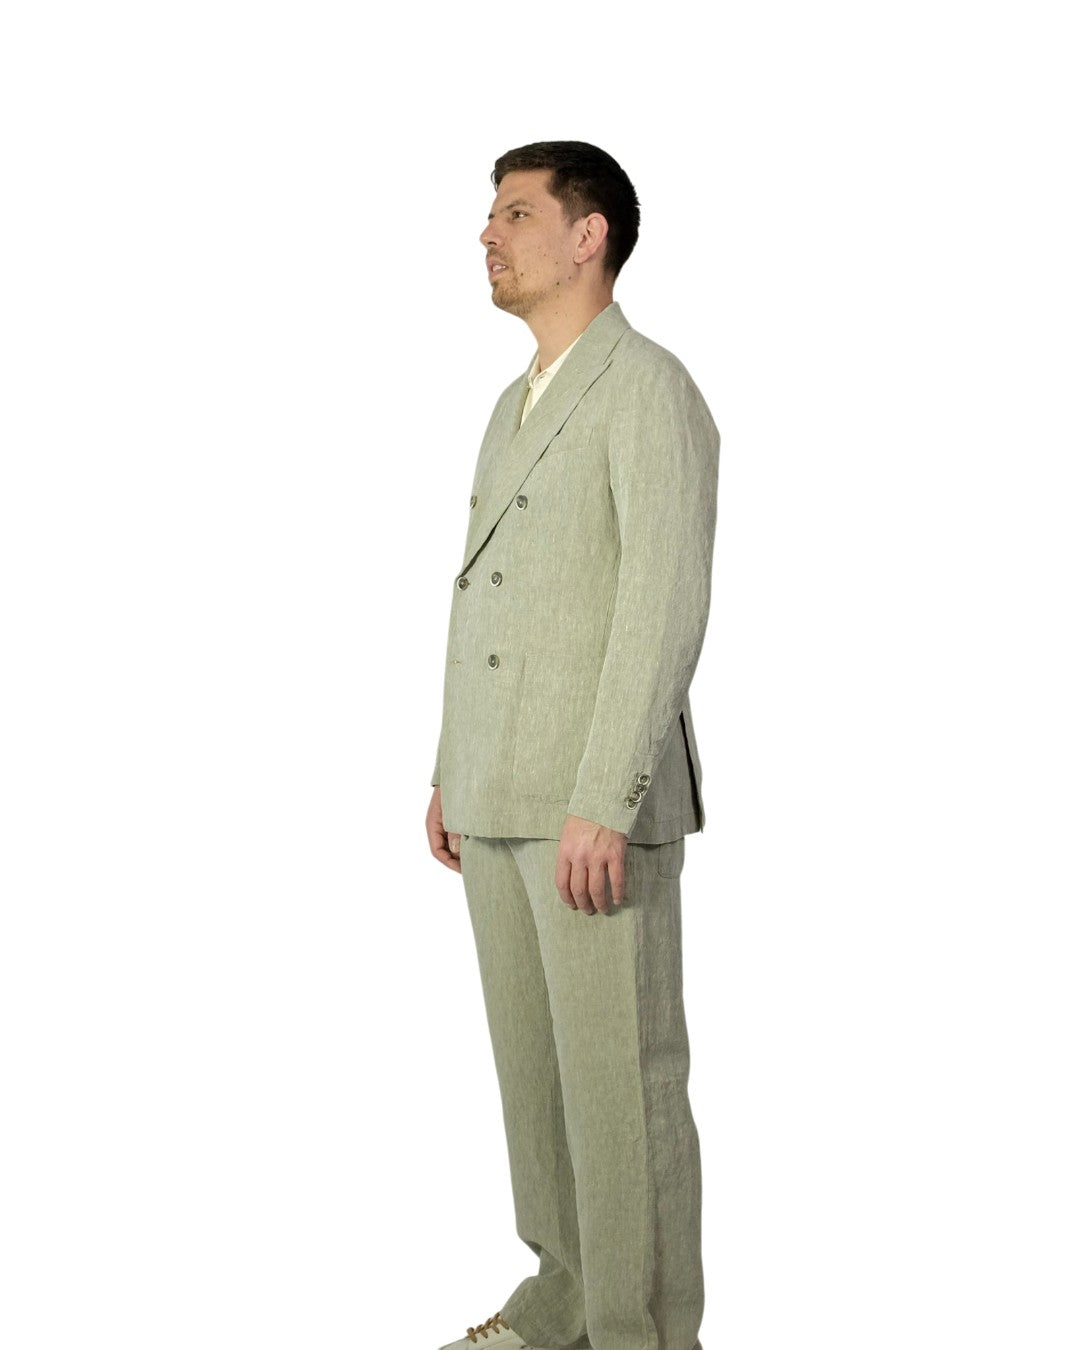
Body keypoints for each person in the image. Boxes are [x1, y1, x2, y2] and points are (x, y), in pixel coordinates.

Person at [426, 141, 720, 1350]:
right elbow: (488, 598)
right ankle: (560, 1307)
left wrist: (608, 794)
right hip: (498, 790)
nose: (487, 236)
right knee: (539, 1090)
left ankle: (640, 1331)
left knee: (622, 1091)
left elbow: (661, 603)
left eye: (515, 213)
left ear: (588, 235)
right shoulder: (514, 406)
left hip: (592, 805)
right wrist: (450, 767)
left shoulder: (648, 389)